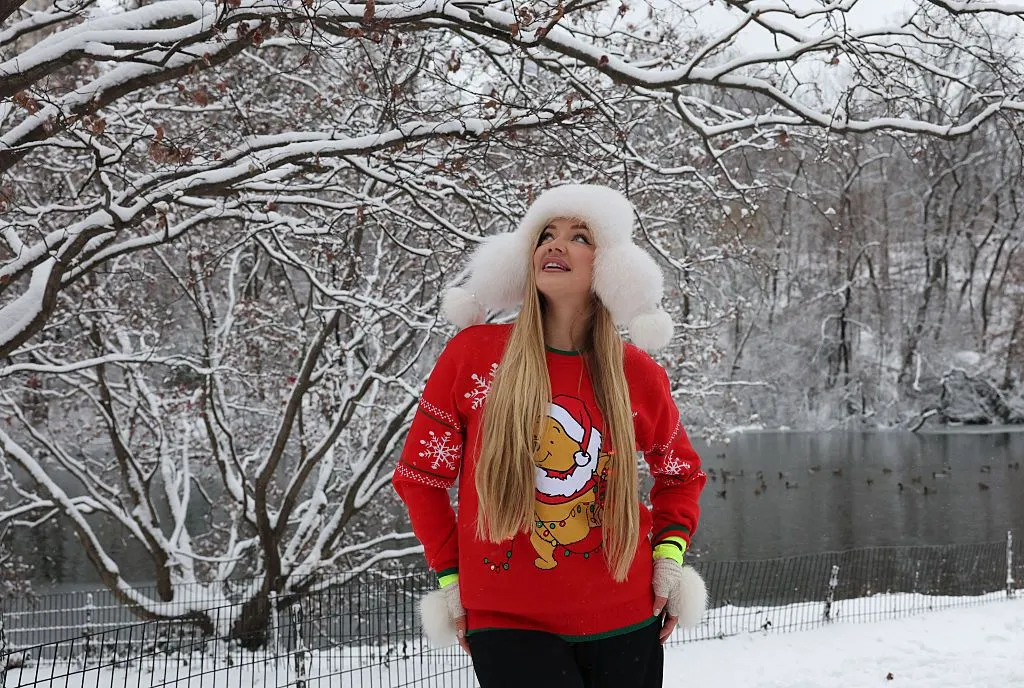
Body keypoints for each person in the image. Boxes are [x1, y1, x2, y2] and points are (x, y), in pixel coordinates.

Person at [392, 184, 708, 688]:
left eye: (578, 236)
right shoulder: (474, 358)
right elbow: (419, 477)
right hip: (508, 619)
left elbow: (681, 474)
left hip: (626, 616)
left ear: (609, 267)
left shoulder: (637, 373)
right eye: (545, 234)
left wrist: (669, 558)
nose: (554, 245)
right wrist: (451, 577)